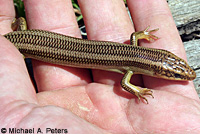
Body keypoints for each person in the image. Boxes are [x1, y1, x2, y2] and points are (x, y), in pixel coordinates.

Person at [0, 0, 199, 133]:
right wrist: (137, 91)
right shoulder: (130, 70)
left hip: (27, 37)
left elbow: (134, 37)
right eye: (174, 74)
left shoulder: (133, 58)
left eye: (175, 72)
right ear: (157, 69)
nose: (179, 76)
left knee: (21, 22)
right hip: (24, 48)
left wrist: (142, 35)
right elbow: (125, 84)